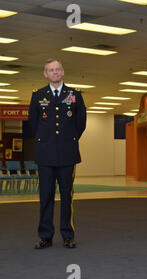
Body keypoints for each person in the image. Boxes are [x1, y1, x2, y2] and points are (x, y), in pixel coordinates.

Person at [28, 59, 86, 249]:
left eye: (57, 69)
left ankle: (67, 235)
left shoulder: (74, 95)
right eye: (51, 70)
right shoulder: (38, 96)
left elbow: (80, 123)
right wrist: (46, 141)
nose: (55, 72)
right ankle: (45, 236)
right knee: (45, 196)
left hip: (67, 154)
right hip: (45, 155)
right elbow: (33, 124)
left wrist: (68, 140)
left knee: (67, 196)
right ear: (45, 74)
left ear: (62, 72)